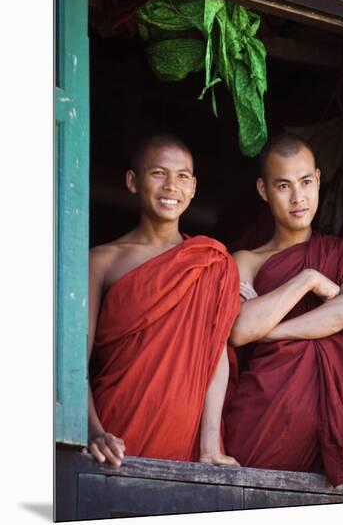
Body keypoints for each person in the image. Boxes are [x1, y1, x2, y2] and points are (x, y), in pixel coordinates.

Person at [84, 134, 240, 468]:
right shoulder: (101, 261)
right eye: (158, 173)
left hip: (185, 439)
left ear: (194, 187)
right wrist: (92, 431)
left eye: (182, 176)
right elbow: (70, 363)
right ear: (132, 181)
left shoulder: (211, 261)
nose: (172, 186)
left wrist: (210, 446)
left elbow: (216, 356)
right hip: (116, 434)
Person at [223, 132, 343, 487]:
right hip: (261, 415)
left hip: (327, 425)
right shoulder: (246, 260)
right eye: (283, 186)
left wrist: (271, 328)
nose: (298, 197)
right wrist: (308, 280)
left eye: (305, 182)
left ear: (318, 179)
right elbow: (240, 330)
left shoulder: (340, 250)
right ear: (263, 190)